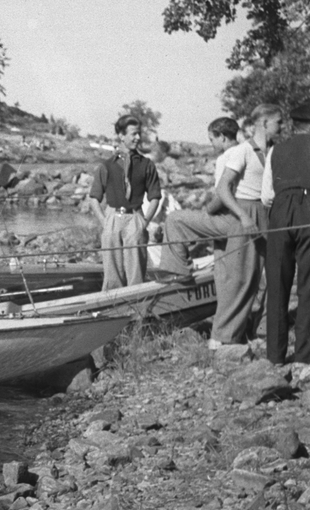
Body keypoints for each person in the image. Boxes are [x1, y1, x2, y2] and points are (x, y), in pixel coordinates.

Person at [155, 116, 264, 346]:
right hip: (245, 216)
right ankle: (232, 332)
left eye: (212, 139)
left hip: (230, 219)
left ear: (222, 137)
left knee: (175, 220)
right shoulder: (252, 152)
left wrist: (208, 209)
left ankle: (177, 273)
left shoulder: (228, 156)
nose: (212, 144)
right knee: (226, 273)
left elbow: (223, 194)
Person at [88, 115, 162, 290]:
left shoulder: (147, 165)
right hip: (113, 218)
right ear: (121, 136)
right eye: (133, 134)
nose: (138, 137)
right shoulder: (107, 166)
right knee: (112, 273)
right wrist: (105, 222)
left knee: (136, 273)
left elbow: (155, 197)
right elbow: (94, 198)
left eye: (139, 133)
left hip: (135, 218)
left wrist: (144, 222)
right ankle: (113, 301)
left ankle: (137, 301)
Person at [261, 103, 310, 364]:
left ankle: (275, 356)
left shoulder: (275, 150)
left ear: (294, 124)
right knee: (307, 286)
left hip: (279, 212)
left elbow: (266, 196)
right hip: (308, 211)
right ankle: (304, 357)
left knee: (277, 284)